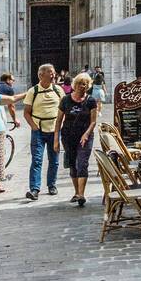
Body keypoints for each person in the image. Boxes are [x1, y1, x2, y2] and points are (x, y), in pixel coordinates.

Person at [55, 72, 98, 206]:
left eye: (84, 84)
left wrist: (86, 134)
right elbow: (58, 121)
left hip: (85, 136)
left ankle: (81, 194)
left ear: (88, 86)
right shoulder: (66, 100)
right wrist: (56, 139)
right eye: (79, 83)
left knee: (83, 163)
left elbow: (93, 121)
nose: (82, 86)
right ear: (74, 85)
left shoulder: (91, 101)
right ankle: (76, 192)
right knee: (72, 164)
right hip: (68, 136)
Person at [24, 63, 64, 200]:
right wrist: (33, 126)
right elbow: (26, 113)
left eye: (53, 72)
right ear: (41, 75)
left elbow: (64, 108)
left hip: (55, 130)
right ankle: (34, 189)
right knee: (37, 160)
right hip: (39, 131)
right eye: (50, 73)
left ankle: (52, 185)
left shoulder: (58, 90)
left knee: (54, 160)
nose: (54, 75)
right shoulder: (33, 91)